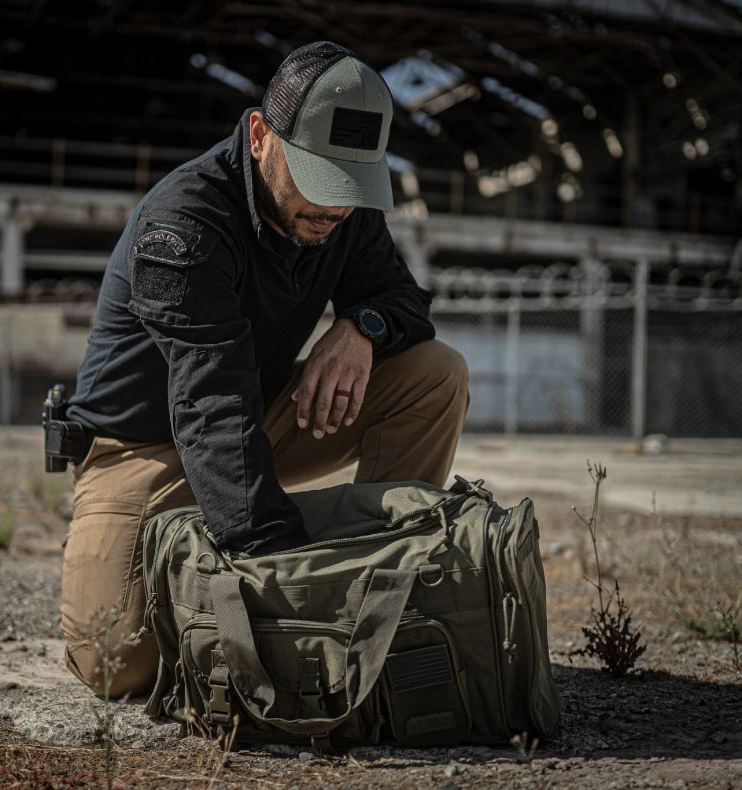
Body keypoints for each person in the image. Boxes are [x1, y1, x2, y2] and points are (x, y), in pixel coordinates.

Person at [58, 41, 470, 697]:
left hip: (261, 419)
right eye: (315, 175)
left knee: (434, 372)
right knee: (117, 664)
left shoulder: (343, 212)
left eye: (349, 183)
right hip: (144, 449)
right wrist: (289, 582)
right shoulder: (185, 223)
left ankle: (388, 575)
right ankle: (140, 541)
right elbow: (211, 410)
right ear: (259, 135)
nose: (333, 208)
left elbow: (405, 303)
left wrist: (361, 328)